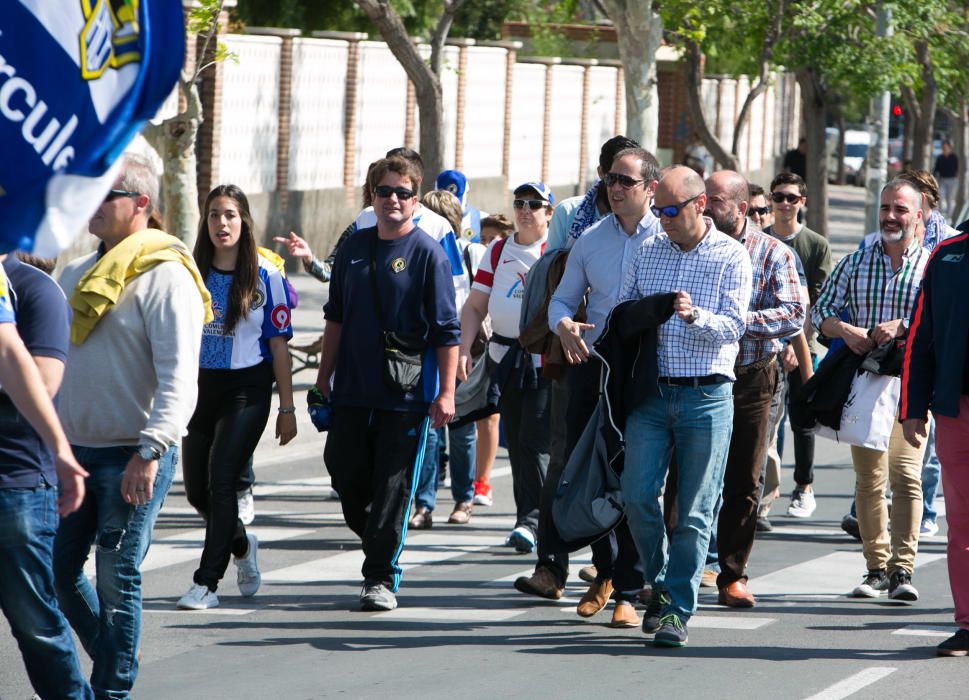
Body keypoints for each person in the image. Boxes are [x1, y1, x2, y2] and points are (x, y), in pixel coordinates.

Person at [53, 153, 208, 698]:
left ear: (141, 203)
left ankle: (112, 689)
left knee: (117, 578)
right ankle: (117, 659)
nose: (92, 204)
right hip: (74, 452)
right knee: (60, 575)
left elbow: (179, 379)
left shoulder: (167, 275)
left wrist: (149, 452)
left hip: (133, 455)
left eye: (107, 193)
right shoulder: (74, 273)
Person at [318, 155, 459, 612]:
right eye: (384, 192)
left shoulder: (428, 254)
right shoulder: (354, 249)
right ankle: (381, 536)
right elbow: (334, 317)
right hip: (353, 391)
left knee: (394, 487)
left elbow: (446, 330)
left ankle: (380, 575)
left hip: (406, 395)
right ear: (372, 197)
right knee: (343, 469)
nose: (392, 200)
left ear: (416, 200)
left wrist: (446, 392)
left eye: (402, 192)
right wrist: (323, 379)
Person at [619, 166, 752, 647]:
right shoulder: (647, 249)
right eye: (658, 210)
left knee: (696, 510)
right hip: (652, 394)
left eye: (671, 210)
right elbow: (625, 310)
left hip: (707, 395)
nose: (662, 219)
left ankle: (677, 608)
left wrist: (694, 316)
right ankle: (659, 584)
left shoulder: (731, 256)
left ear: (700, 205)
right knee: (636, 496)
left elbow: (735, 325)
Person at [539, 146, 661, 627]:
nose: (614, 187)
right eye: (611, 178)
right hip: (593, 364)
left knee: (637, 478)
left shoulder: (666, 238)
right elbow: (561, 301)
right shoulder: (590, 239)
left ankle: (631, 588)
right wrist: (564, 324)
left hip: (649, 371)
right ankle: (607, 572)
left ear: (650, 188)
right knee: (588, 472)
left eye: (626, 181)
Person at [175, 185, 297, 610]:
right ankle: (243, 546)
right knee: (196, 492)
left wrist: (287, 408)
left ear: (243, 219)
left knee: (223, 481)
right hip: (200, 390)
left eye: (229, 214)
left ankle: (206, 583)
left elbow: (279, 344)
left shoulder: (266, 272)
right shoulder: (190, 269)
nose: (221, 224)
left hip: (247, 391)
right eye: (213, 215)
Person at [813, 179, 930, 602]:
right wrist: (846, 329)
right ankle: (876, 568)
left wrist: (902, 326)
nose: (890, 217)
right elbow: (820, 311)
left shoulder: (931, 267)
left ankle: (903, 569)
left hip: (911, 384)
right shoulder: (855, 263)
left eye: (900, 209)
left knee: (906, 473)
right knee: (869, 479)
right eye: (885, 208)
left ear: (918, 216)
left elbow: (940, 319)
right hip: (864, 382)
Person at [703, 171, 805, 608]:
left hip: (752, 376)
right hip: (701, 374)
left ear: (741, 208)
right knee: (689, 475)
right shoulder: (694, 247)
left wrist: (737, 321)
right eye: (701, 198)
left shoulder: (773, 254)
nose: (704, 207)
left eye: (714, 201)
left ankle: (732, 574)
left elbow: (795, 313)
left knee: (745, 479)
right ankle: (672, 571)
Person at [0, 253, 91, 700]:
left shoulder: (34, 290)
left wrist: (59, 450)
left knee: (35, 625)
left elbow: (43, 380)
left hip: (16, 485)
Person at [458, 182, 555, 553]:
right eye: (519, 203)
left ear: (549, 212)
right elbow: (475, 305)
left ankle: (535, 522)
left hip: (544, 361)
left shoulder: (555, 251)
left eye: (535, 204)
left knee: (535, 441)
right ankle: (528, 520)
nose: (525, 209)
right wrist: (465, 347)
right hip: (504, 358)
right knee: (517, 442)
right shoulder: (498, 251)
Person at [901, 228, 969, 656]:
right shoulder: (945, 256)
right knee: (961, 525)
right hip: (955, 410)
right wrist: (912, 407)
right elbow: (921, 336)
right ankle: (967, 623)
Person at [409, 189, 485, 526]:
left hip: (456, 349)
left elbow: (471, 306)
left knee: (461, 427)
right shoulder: (414, 252)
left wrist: (465, 348)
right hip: (424, 350)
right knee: (429, 427)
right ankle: (423, 505)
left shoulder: (468, 255)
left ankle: (463, 499)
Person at [763, 172, 832, 519]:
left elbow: (813, 301)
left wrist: (798, 342)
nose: (785, 203)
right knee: (767, 420)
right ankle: (765, 492)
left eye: (792, 197)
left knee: (802, 416)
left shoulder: (815, 244)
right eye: (779, 197)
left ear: (802, 202)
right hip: (766, 346)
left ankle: (804, 486)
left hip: (803, 345)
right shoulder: (759, 240)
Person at [436, 169, 489, 242]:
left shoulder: (484, 219)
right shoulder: (428, 221)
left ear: (466, 192)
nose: (452, 207)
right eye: (445, 200)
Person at [933, 140, 958, 219]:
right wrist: (935, 178)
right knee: (940, 195)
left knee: (949, 197)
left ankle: (949, 215)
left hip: (952, 179)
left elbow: (957, 168)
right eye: (943, 147)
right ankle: (940, 214)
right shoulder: (940, 158)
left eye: (946, 147)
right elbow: (936, 169)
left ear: (949, 148)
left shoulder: (954, 157)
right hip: (942, 179)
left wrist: (956, 176)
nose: (945, 149)